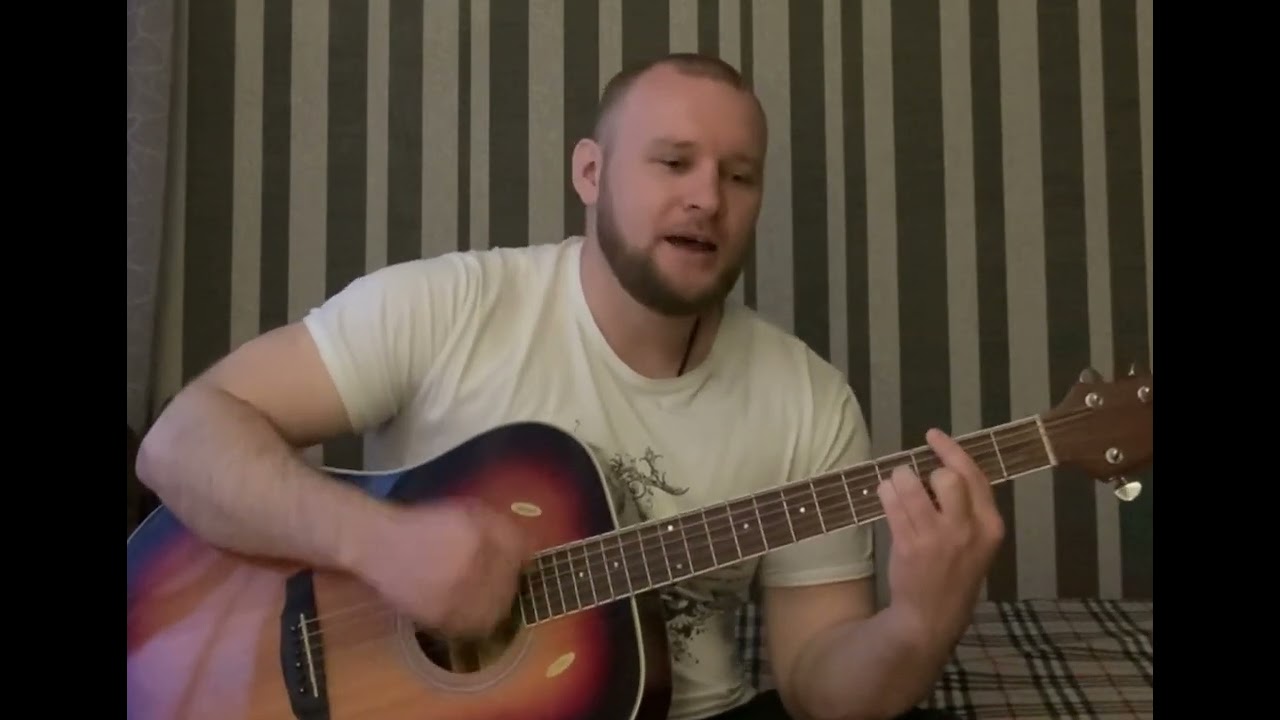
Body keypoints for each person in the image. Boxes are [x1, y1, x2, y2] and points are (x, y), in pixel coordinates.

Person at [136, 52, 1004, 720]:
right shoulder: (448, 306)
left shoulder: (809, 401)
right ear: (591, 173)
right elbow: (180, 442)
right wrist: (380, 546)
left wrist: (916, 626)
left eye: (739, 176)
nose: (708, 198)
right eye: (673, 162)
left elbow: (819, 687)